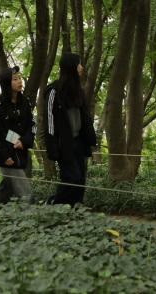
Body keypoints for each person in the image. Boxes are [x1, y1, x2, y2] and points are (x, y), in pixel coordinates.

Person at [43, 53, 96, 207]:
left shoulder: (78, 91)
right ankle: (52, 204)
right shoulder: (53, 91)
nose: (81, 67)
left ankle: (76, 209)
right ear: (71, 66)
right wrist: (53, 148)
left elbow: (85, 117)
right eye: (79, 64)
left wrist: (89, 139)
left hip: (78, 141)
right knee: (72, 178)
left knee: (80, 181)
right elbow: (49, 121)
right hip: (63, 144)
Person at [0, 66, 35, 204]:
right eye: (15, 79)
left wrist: (24, 141)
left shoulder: (25, 102)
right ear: (7, 83)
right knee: (26, 195)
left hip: (21, 155)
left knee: (4, 192)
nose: (19, 81)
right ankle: (32, 216)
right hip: (7, 157)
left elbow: (32, 125)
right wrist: (2, 155)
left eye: (19, 78)